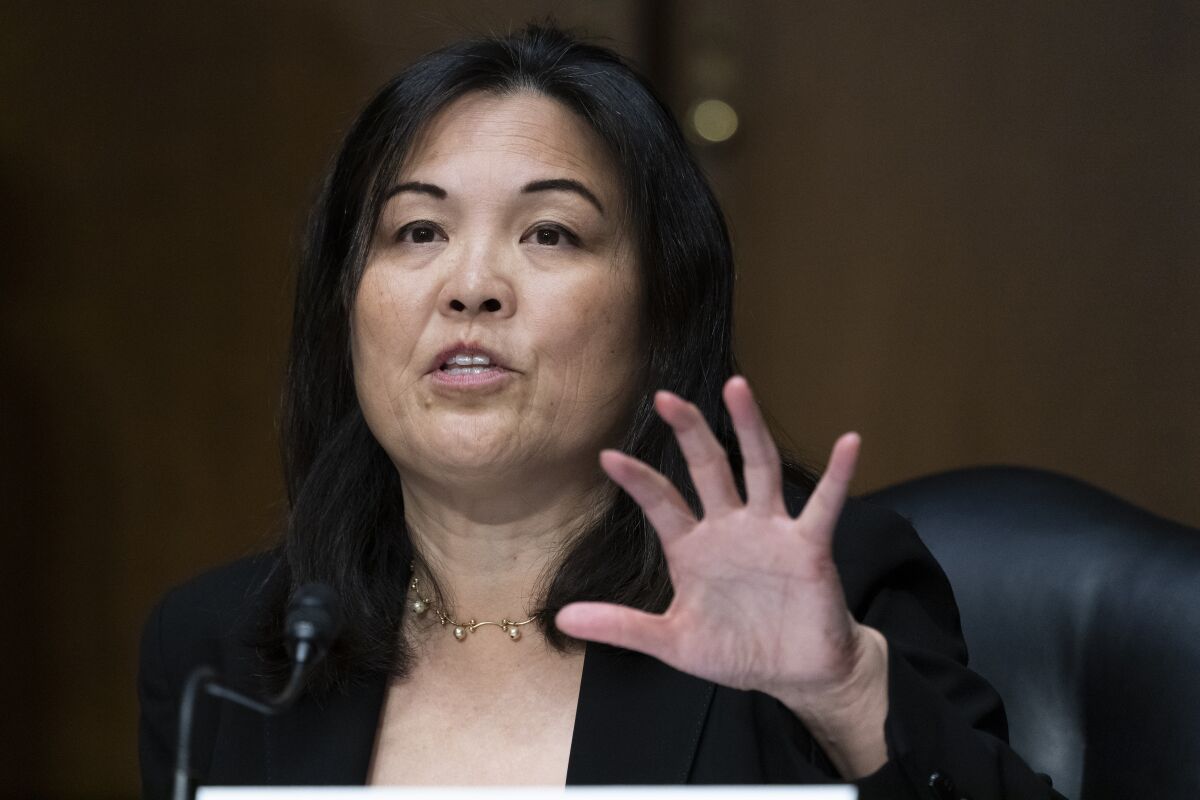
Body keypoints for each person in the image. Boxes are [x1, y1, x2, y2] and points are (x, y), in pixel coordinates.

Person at [138, 23, 1063, 799]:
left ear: (660, 307)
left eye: (551, 234)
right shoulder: (230, 648)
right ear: (347, 302)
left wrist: (851, 696)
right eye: (417, 231)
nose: (471, 287)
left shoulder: (832, 589)